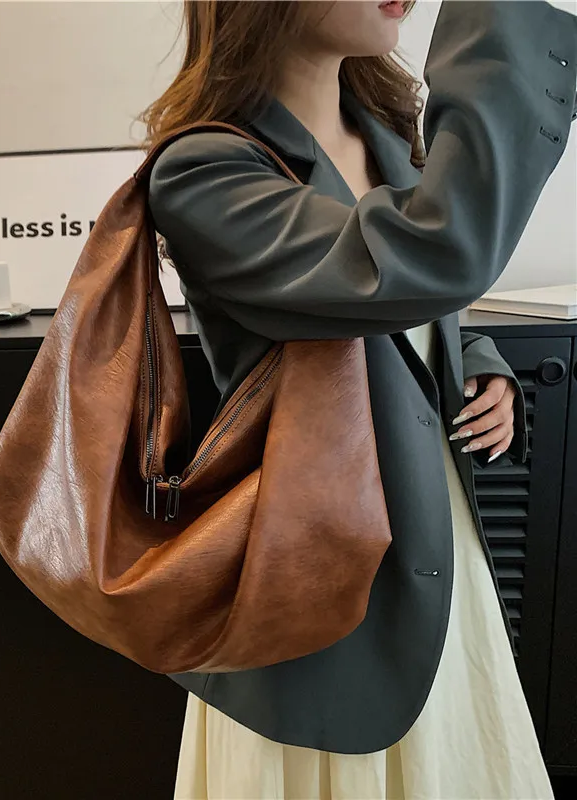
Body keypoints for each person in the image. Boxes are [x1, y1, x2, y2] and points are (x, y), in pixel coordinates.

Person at [140, 1, 577, 798]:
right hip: (322, 565)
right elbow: (419, 261)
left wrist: (476, 361)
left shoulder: (387, 136)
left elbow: (409, 305)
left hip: (434, 530)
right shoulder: (206, 171)